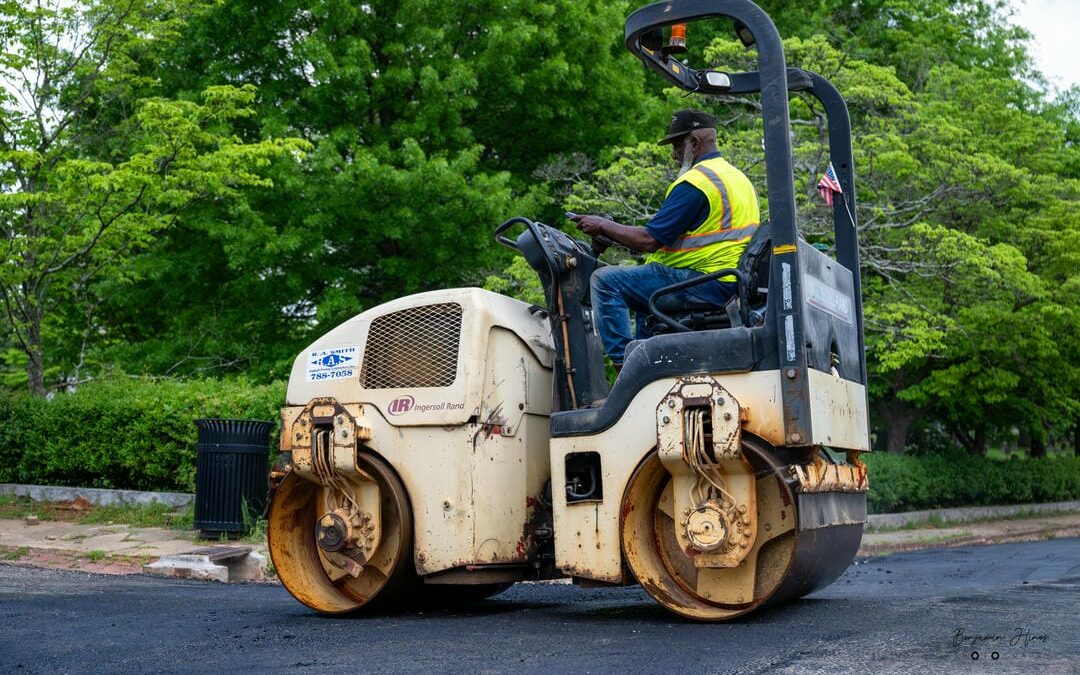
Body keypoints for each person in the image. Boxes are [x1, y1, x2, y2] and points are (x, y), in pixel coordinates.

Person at [569, 109, 761, 370]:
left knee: (605, 282)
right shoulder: (738, 179)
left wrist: (602, 223)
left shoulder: (697, 183)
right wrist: (615, 234)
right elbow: (678, 236)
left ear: (694, 143)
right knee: (641, 289)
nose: (674, 155)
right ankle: (653, 368)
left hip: (706, 280)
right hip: (726, 279)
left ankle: (627, 368)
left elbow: (649, 239)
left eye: (677, 146)